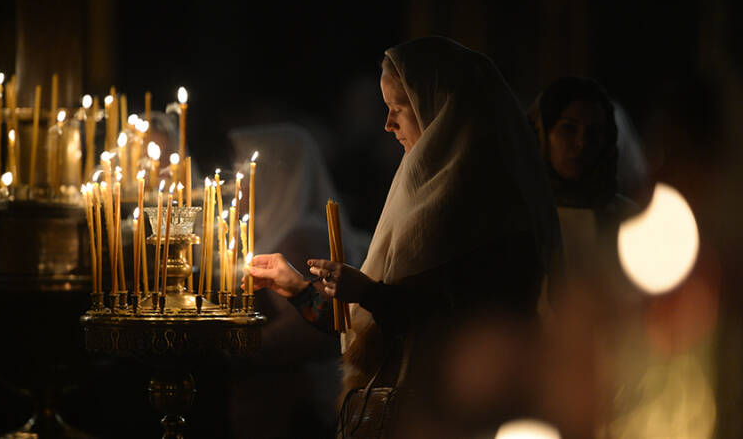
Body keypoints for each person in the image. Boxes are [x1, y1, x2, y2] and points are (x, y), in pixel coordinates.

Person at [247, 36, 561, 436]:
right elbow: (362, 331)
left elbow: (465, 327)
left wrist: (369, 293)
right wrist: (296, 287)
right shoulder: (415, 190)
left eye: (399, 109)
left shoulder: (492, 204)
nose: (388, 124)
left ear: (442, 109)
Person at [226, 123, 370, 438]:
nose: (237, 185)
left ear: (274, 176)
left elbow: (312, 331)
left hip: (297, 407)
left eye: (246, 172)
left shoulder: (303, 237)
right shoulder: (285, 230)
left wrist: (232, 346)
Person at [527, 77, 640, 294]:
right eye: (568, 129)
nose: (581, 143)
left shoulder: (629, 219)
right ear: (541, 134)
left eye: (594, 133)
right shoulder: (522, 216)